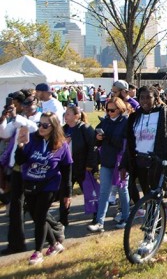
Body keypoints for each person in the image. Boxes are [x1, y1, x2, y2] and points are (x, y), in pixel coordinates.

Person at [15, 112, 71, 265]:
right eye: (40, 124)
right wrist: (20, 146)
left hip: (49, 185)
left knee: (40, 217)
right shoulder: (32, 139)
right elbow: (20, 161)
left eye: (45, 125)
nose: (41, 127)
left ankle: (37, 252)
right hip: (30, 183)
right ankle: (55, 244)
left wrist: (68, 194)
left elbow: (67, 170)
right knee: (36, 215)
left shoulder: (61, 144)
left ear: (53, 127)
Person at [123, 85, 167, 202]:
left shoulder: (165, 113)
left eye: (148, 97)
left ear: (155, 98)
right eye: (141, 98)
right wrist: (124, 164)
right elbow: (129, 142)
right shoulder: (135, 116)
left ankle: (157, 218)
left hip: (157, 160)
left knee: (155, 193)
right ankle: (153, 217)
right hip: (139, 159)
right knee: (146, 194)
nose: (144, 101)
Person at [0, 92, 39, 256]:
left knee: (35, 207)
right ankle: (16, 244)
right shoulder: (20, 118)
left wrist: (16, 117)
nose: (27, 106)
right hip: (17, 167)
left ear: (36, 103)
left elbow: (33, 128)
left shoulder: (41, 119)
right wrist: (3, 118)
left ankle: (55, 234)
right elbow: (4, 134)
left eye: (30, 103)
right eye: (24, 104)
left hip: (32, 168)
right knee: (16, 209)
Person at [88, 97, 129, 232]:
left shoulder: (125, 122)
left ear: (119, 109)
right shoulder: (104, 122)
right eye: (107, 109)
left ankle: (126, 217)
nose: (109, 112)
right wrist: (98, 138)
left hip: (121, 161)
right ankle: (100, 222)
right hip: (106, 160)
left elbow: (124, 143)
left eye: (112, 110)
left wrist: (107, 138)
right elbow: (96, 139)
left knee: (122, 190)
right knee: (104, 191)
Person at [60, 104, 97, 226]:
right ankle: (63, 219)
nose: (66, 116)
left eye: (68, 114)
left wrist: (90, 164)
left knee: (88, 191)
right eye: (65, 114)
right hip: (67, 167)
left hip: (83, 166)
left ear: (77, 116)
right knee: (65, 192)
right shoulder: (63, 129)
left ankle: (96, 216)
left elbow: (93, 147)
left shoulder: (85, 128)